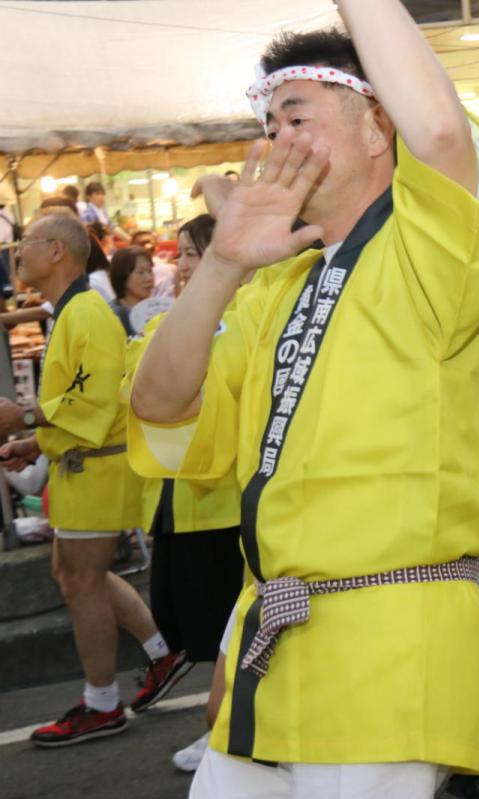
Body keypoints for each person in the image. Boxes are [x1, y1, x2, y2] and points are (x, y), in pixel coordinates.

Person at [127, 4, 479, 795]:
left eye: (299, 116)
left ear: (377, 126)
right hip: (273, 641)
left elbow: (444, 135)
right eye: (268, 121)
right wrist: (220, 266)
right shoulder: (273, 283)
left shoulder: (432, 253)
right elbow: (158, 406)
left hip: (389, 644)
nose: (277, 139)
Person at [0, 214, 186, 747]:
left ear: (56, 251)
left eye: (26, 243)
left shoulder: (86, 313)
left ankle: (101, 703)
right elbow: (87, 402)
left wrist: (28, 419)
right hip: (83, 462)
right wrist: (37, 440)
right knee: (74, 572)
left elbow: (96, 399)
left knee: (81, 580)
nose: (19, 253)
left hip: (95, 467)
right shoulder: (73, 311)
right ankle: (159, 652)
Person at [124, 212, 244, 773]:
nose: (181, 265)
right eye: (185, 256)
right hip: (179, 499)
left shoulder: (246, 317)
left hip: (223, 503)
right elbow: (137, 389)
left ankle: (226, 730)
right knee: (199, 625)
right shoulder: (169, 321)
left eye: (192, 253)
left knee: (226, 624)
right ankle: (226, 726)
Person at [107, 246, 155, 336]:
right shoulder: (114, 316)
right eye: (140, 272)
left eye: (150, 271)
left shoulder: (156, 309)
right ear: (122, 276)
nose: (149, 278)